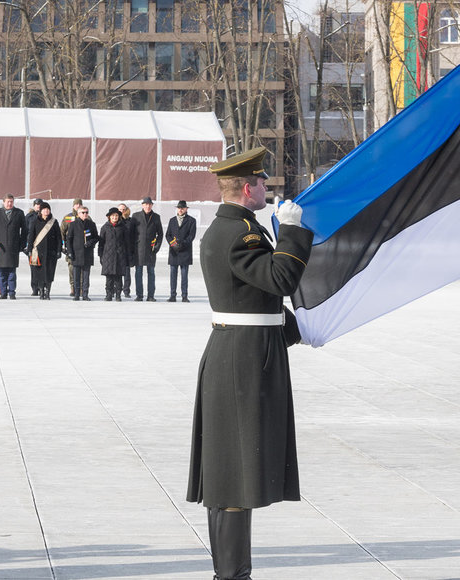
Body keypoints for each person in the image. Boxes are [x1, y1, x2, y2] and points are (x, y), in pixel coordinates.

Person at [186, 147, 312, 580]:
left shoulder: (232, 227)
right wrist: (293, 233)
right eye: (262, 182)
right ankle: (232, 575)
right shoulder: (243, 234)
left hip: (239, 349)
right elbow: (279, 279)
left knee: (229, 475)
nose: (266, 188)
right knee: (233, 476)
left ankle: (231, 572)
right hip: (242, 359)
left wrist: (297, 328)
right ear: (246, 187)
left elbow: (255, 296)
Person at [0, 194, 28, 299]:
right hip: (1, 248)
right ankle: (3, 292)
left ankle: (12, 292)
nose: (10, 203)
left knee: (12, 272)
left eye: (11, 201)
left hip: (13, 247)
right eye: (8, 201)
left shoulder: (19, 213)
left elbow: (24, 230)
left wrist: (22, 244)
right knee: (1, 272)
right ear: (3, 202)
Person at [131, 196, 164, 301]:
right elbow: (131, 233)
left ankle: (151, 295)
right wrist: (132, 248)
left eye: (149, 204)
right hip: (139, 249)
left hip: (151, 250)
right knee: (138, 272)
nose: (148, 206)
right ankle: (139, 295)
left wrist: (157, 246)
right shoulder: (135, 216)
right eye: (146, 204)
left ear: (152, 205)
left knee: (151, 272)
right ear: (142, 205)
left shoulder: (156, 217)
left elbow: (160, 234)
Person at [26, 202, 61, 300]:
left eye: (48, 209)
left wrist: (58, 250)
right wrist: (29, 250)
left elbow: (59, 237)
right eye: (44, 209)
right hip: (38, 252)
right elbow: (31, 237)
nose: (46, 211)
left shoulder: (54, 222)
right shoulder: (35, 221)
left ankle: (48, 292)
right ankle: (41, 291)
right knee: (39, 273)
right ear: (40, 211)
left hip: (51, 253)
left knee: (50, 272)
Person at [65, 205, 99, 301]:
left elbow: (96, 237)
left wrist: (90, 242)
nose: (85, 214)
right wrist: (70, 252)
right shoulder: (73, 224)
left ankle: (85, 294)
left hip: (87, 254)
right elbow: (69, 239)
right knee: (76, 275)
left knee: (86, 276)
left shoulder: (91, 224)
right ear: (78, 214)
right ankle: (76, 294)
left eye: (86, 212)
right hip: (76, 254)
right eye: (83, 213)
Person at [166, 200, 197, 302]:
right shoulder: (172, 220)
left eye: (182, 208)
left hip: (185, 252)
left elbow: (191, 236)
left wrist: (182, 244)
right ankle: (172, 295)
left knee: (184, 276)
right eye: (179, 208)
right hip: (174, 252)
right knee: (173, 275)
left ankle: (184, 296)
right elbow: (168, 235)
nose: (180, 209)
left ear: (186, 209)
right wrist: (173, 244)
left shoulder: (192, 221)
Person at [99, 207, 130, 302]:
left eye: (116, 215)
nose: (115, 217)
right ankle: (108, 294)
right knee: (109, 278)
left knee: (118, 277)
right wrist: (101, 256)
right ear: (109, 217)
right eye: (113, 216)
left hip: (120, 256)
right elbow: (101, 243)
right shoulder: (105, 227)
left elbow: (127, 242)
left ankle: (118, 295)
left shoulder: (123, 227)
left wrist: (127, 255)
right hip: (108, 255)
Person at [61, 198, 83, 297]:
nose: (78, 205)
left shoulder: (86, 216)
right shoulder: (68, 217)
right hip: (70, 248)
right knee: (71, 268)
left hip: (82, 248)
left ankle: (82, 288)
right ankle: (73, 287)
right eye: (76, 204)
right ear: (73, 205)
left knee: (82, 269)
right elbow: (62, 232)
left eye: (80, 204)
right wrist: (62, 245)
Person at [25, 198, 43, 296]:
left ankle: (42, 287)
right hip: (32, 246)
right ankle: (35, 288)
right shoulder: (29, 217)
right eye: (36, 204)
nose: (38, 206)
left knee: (42, 267)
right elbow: (24, 232)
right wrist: (25, 246)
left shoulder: (45, 216)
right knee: (33, 268)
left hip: (42, 245)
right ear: (34, 205)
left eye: (40, 204)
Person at [118, 203, 134, 297]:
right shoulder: (115, 220)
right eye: (120, 209)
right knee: (117, 272)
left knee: (127, 273)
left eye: (123, 209)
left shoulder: (130, 221)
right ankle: (117, 290)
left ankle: (126, 291)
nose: (121, 211)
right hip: (118, 250)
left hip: (127, 250)